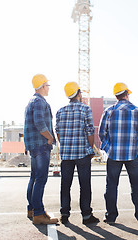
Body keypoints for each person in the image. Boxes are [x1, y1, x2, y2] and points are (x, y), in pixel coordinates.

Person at [99, 82, 138, 224]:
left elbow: (102, 133)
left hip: (114, 154)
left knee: (111, 185)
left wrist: (108, 146)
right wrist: (136, 144)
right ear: (127, 94)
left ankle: (111, 216)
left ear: (116, 96)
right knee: (136, 185)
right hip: (132, 154)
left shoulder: (109, 111)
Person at [55, 82, 100, 225]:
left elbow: (58, 133)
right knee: (84, 185)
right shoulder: (85, 109)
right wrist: (91, 148)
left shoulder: (60, 111)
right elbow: (90, 131)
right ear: (79, 93)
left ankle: (64, 214)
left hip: (66, 155)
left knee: (65, 185)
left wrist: (66, 146)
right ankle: (86, 215)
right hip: (82, 154)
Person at [24, 74, 58, 225]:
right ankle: (38, 213)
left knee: (34, 177)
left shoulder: (31, 101)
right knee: (41, 178)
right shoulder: (39, 102)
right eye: (47, 85)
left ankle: (32, 209)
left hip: (33, 146)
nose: (48, 88)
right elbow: (39, 123)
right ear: (43, 86)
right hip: (41, 145)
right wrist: (50, 138)